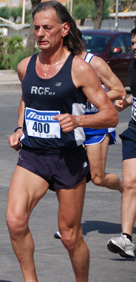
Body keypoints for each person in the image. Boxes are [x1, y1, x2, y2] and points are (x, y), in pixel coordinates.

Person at [7, 0, 118, 282]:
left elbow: (110, 115)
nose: (41, 33)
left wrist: (78, 120)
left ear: (64, 29)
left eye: (47, 27)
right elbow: (25, 100)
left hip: (67, 158)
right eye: (36, 28)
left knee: (69, 236)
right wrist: (20, 127)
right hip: (32, 156)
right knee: (15, 220)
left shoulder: (79, 68)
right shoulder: (25, 66)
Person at [53, 39, 124, 240]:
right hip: (75, 125)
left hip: (97, 124)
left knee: (97, 177)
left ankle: (125, 187)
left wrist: (93, 98)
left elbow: (118, 90)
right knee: (71, 176)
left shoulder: (96, 62)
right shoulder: (64, 65)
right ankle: (70, 224)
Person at [108, 27, 136, 259]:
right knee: (130, 184)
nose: (134, 47)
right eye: (133, 43)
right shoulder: (133, 67)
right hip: (135, 132)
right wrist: (126, 103)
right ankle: (126, 239)